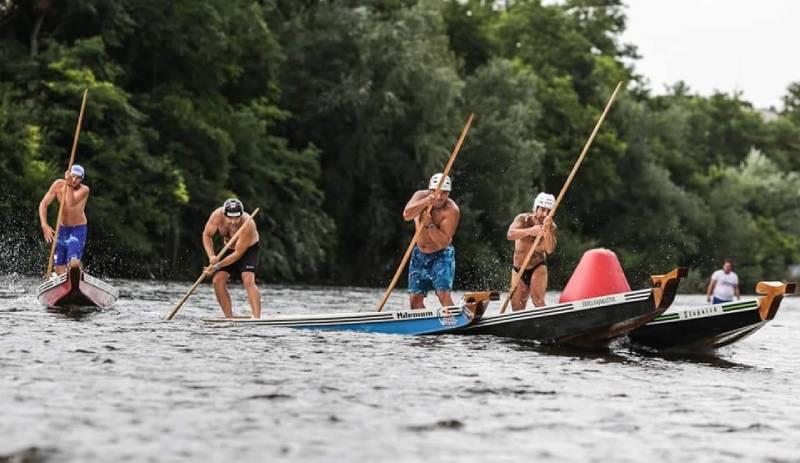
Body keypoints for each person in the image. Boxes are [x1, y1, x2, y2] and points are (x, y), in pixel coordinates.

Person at [402, 173, 460, 310]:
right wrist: (426, 202)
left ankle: (453, 320)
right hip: (419, 254)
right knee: (414, 298)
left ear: (449, 193)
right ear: (430, 190)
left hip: (441, 254)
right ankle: (422, 327)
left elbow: (444, 242)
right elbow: (407, 215)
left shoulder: (452, 210)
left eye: (444, 193)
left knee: (442, 293)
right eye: (437, 192)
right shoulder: (420, 196)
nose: (439, 197)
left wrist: (430, 226)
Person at [202, 198, 261, 319]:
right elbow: (207, 235)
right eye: (230, 218)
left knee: (248, 279)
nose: (234, 222)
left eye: (237, 218)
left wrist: (216, 266)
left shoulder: (247, 223)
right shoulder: (217, 215)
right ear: (224, 214)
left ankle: (256, 318)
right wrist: (211, 256)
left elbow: (238, 254)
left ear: (241, 214)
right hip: (229, 248)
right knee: (217, 281)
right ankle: (229, 318)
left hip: (248, 249)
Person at [507, 192, 557, 310]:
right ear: (536, 208)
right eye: (543, 210)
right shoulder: (522, 219)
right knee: (516, 306)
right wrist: (530, 231)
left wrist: (547, 231)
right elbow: (510, 235)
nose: (545, 214)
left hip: (537, 266)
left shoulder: (552, 227)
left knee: (538, 301)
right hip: (518, 268)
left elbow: (549, 250)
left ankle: (548, 324)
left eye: (548, 211)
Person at [38, 165, 90, 275]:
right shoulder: (58, 184)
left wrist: (70, 185)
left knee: (73, 263)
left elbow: (70, 203)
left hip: (78, 229)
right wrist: (44, 225)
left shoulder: (84, 190)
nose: (75, 180)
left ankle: (78, 277)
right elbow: (43, 204)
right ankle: (63, 285)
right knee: (58, 268)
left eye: (78, 178)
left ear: (82, 179)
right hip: (62, 229)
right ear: (68, 175)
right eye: (73, 176)